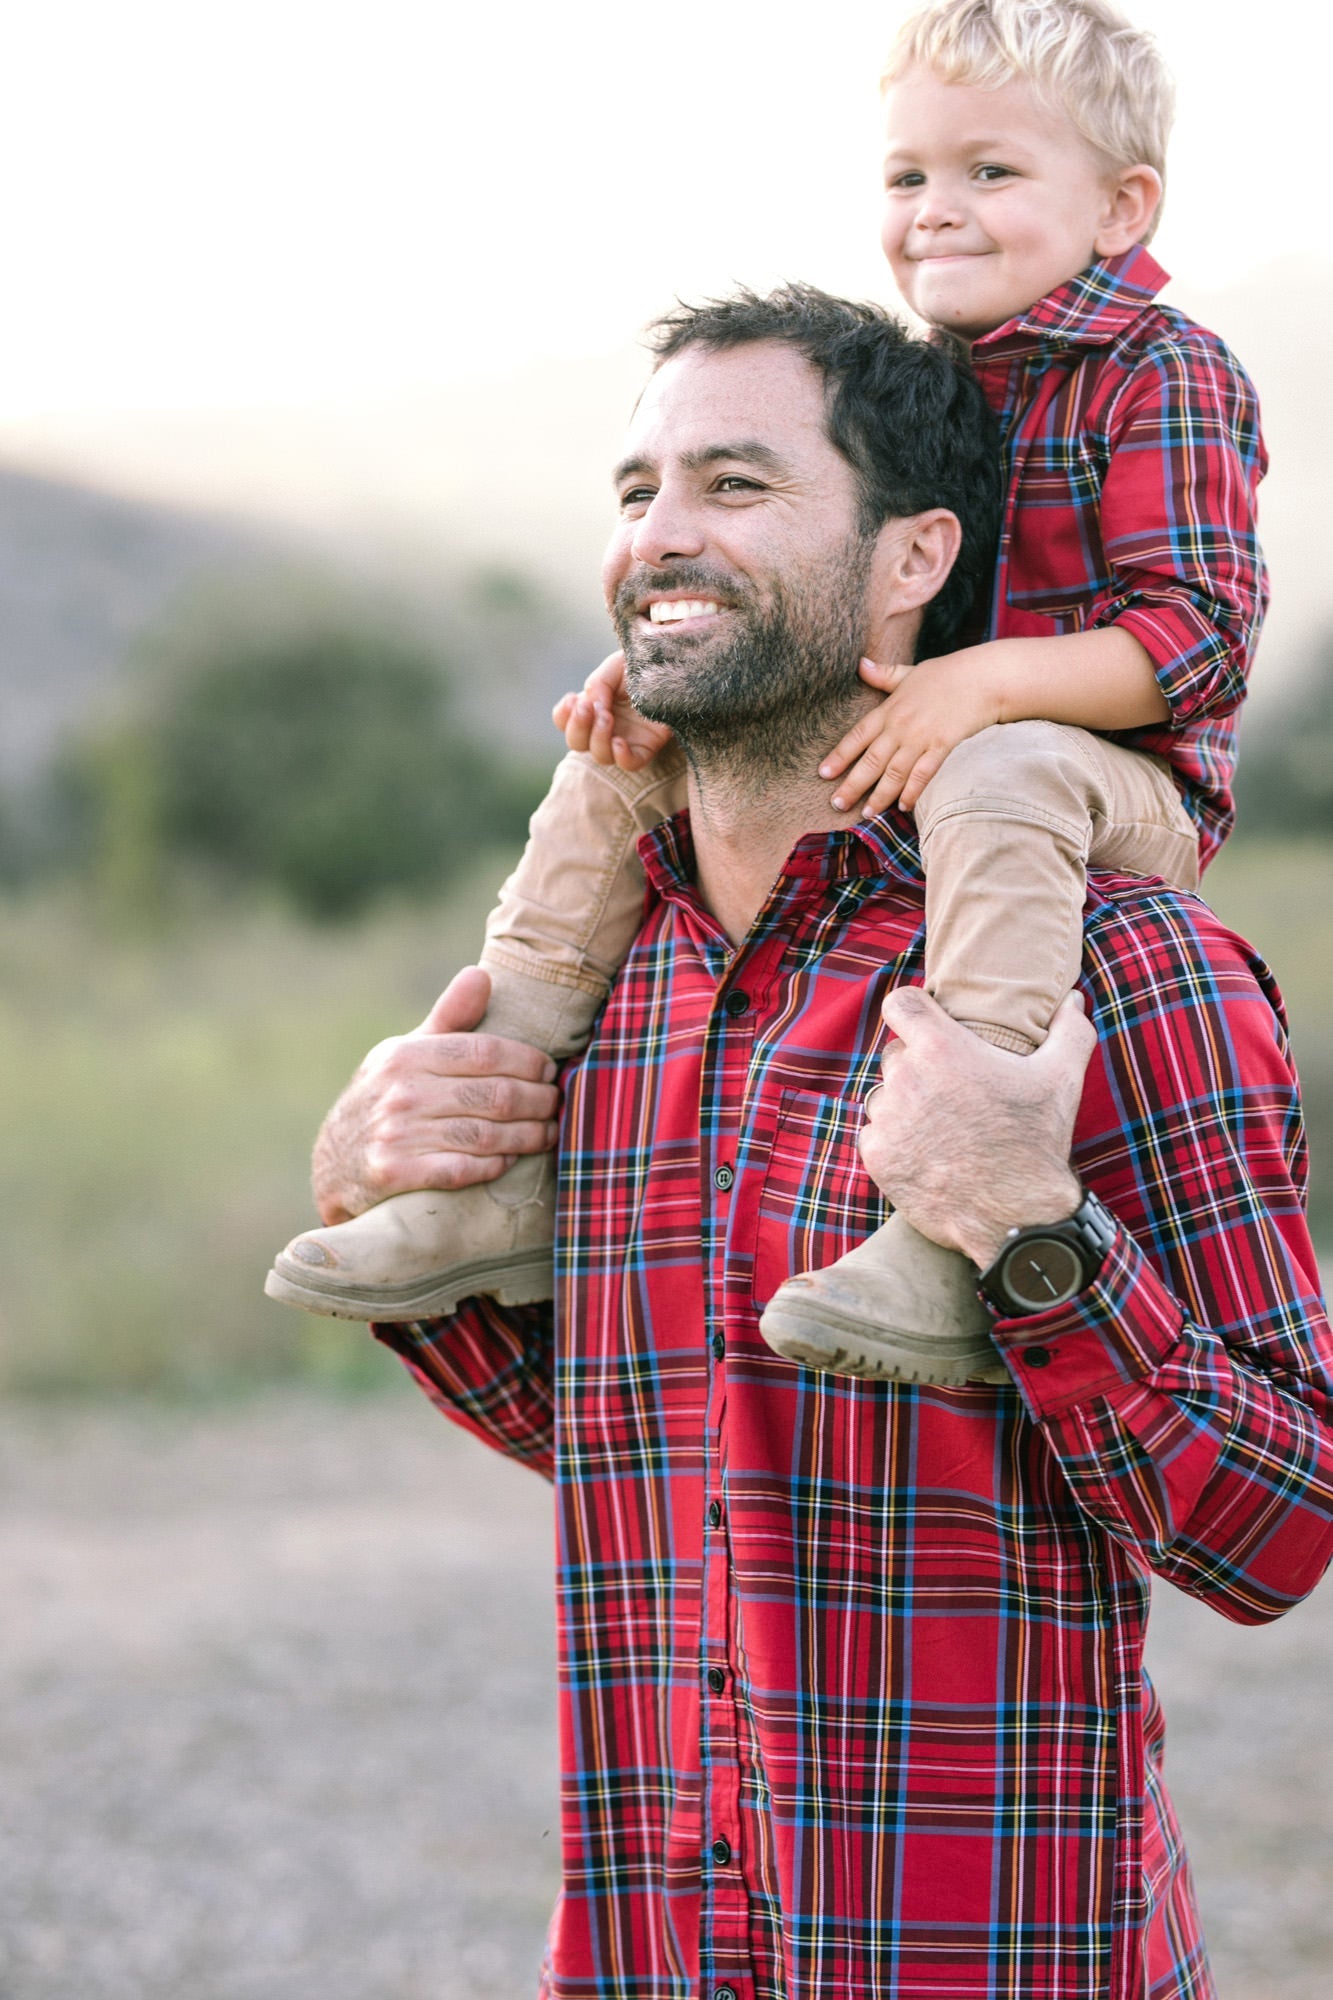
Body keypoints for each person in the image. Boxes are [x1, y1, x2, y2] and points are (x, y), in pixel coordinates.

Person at [295, 289, 1333, 2000]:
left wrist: (1025, 1228)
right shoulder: (612, 988)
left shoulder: (1116, 961)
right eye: (636, 493)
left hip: (987, 1956)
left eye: (734, 485)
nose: (662, 539)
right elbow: (648, 1438)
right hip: (656, 1946)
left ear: (916, 556)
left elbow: (1283, 1529)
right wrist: (380, 1191)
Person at [265, 0, 1269, 1386]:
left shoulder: (1161, 372)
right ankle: (489, 1183)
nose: (934, 210)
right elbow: (617, 1437)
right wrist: (673, 657)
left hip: (1115, 788)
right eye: (906, 176)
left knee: (999, 768)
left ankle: (941, 1225)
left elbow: (1198, 639)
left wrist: (975, 686)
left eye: (989, 171)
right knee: (609, 767)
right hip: (961, 752)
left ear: (1122, 204)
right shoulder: (945, 383)